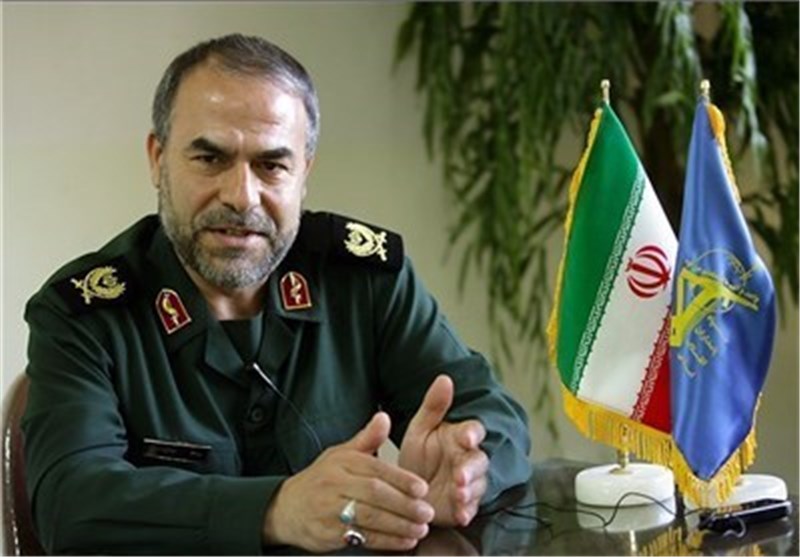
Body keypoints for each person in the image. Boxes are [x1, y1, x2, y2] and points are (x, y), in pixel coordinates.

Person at [21, 33, 532, 555]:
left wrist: (466, 473)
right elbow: (70, 503)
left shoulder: (364, 280)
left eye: (271, 165)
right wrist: (275, 509)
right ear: (158, 160)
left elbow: (494, 416)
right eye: (210, 158)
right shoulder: (84, 312)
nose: (241, 197)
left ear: (304, 172)